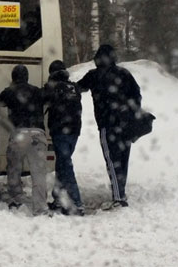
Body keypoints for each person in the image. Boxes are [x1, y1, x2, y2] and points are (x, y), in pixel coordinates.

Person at [77, 44, 142, 209]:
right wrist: (131, 112)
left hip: (107, 124)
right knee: (123, 159)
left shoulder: (94, 75)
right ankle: (120, 192)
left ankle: (119, 198)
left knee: (112, 160)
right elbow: (136, 95)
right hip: (126, 124)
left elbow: (78, 88)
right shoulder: (124, 73)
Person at [0, 64, 48, 216]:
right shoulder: (37, 91)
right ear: (27, 77)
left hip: (19, 133)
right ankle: (40, 208)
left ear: (13, 77)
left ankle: (16, 198)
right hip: (37, 133)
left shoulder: (9, 91)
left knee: (14, 167)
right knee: (38, 172)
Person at [42, 60, 84, 216]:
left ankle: (77, 203)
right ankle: (58, 199)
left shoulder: (52, 87)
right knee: (61, 163)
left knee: (65, 165)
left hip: (60, 130)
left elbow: (41, 98)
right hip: (75, 131)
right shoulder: (74, 87)